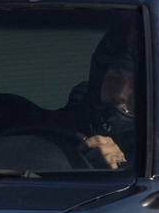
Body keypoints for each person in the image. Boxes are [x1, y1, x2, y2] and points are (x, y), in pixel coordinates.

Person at [59, 22, 140, 169]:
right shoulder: (67, 125)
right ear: (99, 78)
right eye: (115, 79)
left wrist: (119, 167)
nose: (121, 93)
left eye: (137, 85)